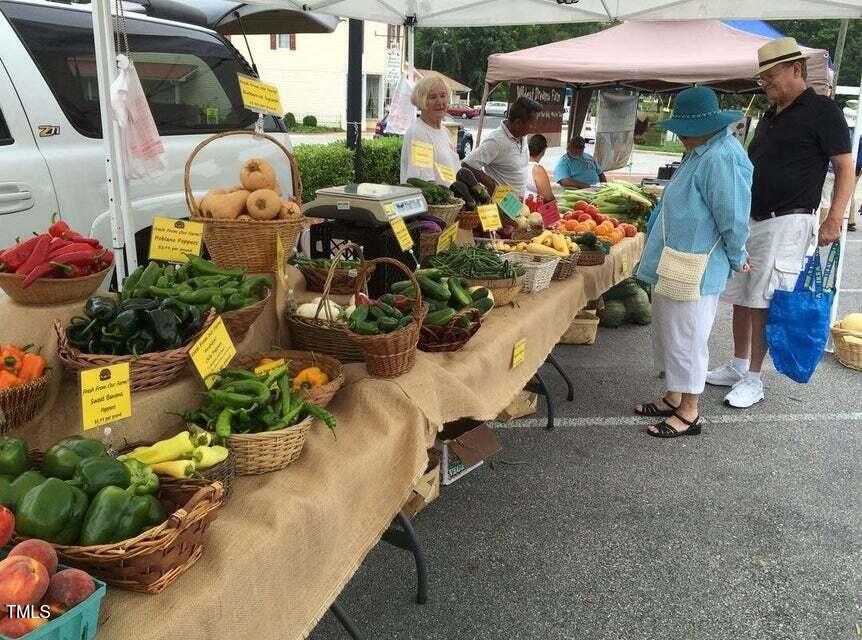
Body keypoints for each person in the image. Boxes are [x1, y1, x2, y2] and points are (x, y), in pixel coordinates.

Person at [706, 37, 854, 408]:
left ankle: (755, 378)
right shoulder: (772, 114)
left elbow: (845, 167)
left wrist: (835, 217)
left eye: (770, 76)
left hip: (788, 220)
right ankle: (739, 364)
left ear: (796, 69)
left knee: (764, 300)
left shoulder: (823, 111)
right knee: (741, 296)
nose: (765, 84)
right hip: (752, 220)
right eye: (762, 79)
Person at [634, 87, 752, 438]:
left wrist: (737, 255)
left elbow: (733, 216)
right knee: (669, 331)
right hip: (676, 257)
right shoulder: (699, 149)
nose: (680, 135)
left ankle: (689, 412)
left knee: (688, 335)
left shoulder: (722, 156)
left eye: (685, 128)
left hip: (696, 262)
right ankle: (674, 396)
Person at [462, 96, 542, 197]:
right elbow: (467, 164)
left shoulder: (522, 135)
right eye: (532, 124)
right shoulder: (496, 141)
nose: (534, 128)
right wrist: (493, 186)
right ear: (518, 123)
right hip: (501, 205)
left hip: (519, 204)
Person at [400, 76, 461, 186]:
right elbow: (424, 182)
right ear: (421, 101)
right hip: (433, 202)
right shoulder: (418, 132)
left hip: (454, 200)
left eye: (443, 96)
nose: (440, 102)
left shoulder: (444, 131)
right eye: (433, 97)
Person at [524, 134, 556, 203]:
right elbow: (548, 197)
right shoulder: (537, 169)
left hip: (518, 207)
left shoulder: (520, 164)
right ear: (543, 150)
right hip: (533, 209)